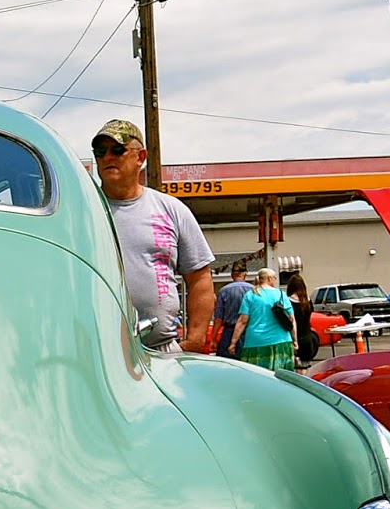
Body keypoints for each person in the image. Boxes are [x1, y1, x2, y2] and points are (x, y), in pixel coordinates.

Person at [91, 119, 215, 353]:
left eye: (117, 150)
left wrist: (195, 340)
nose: (107, 157)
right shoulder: (83, 210)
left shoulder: (170, 210)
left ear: (141, 157)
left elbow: (199, 278)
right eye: (100, 151)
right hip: (99, 353)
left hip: (162, 351)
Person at [231, 267, 297, 371]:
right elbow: (291, 319)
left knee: (256, 375)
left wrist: (233, 342)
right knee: (280, 376)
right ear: (270, 278)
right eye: (274, 278)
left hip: (255, 342)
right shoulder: (281, 295)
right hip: (281, 340)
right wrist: (295, 339)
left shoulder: (250, 295)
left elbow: (242, 321)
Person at [211, 263, 254, 358]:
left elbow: (218, 318)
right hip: (248, 332)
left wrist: (213, 338)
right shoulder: (253, 290)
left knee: (227, 362)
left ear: (232, 275)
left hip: (229, 332)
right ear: (245, 274)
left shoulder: (224, 291)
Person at [287, 274, 317, 366]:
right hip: (307, 336)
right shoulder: (308, 301)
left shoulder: (288, 301)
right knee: (305, 366)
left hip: (293, 338)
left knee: (295, 368)